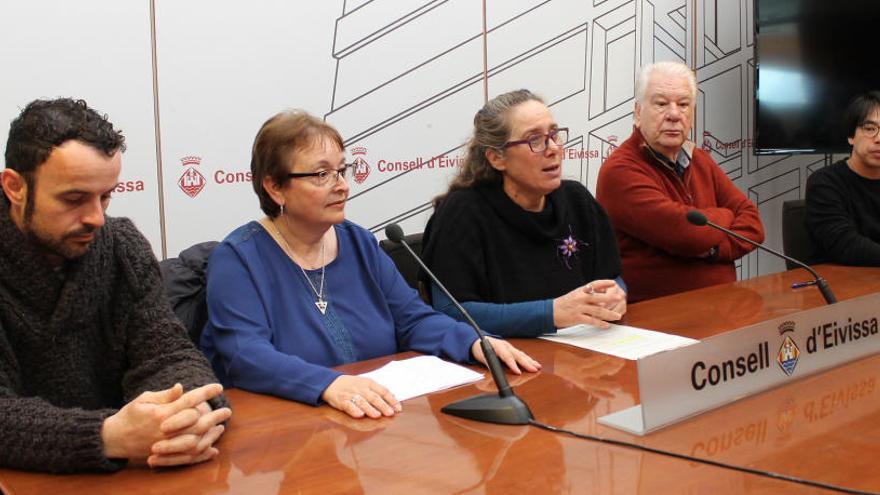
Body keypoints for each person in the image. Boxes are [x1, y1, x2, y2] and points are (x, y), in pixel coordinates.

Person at [200, 110, 540, 419]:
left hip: (374, 419)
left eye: (342, 170)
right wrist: (328, 385)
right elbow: (245, 356)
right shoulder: (239, 259)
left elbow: (411, 320)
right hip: (286, 428)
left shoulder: (358, 242)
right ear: (275, 187)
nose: (342, 186)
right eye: (322, 174)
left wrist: (472, 341)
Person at [0, 98, 231, 473]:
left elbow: (168, 355)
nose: (96, 217)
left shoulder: (122, 246)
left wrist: (190, 412)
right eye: (73, 199)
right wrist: (106, 436)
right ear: (15, 187)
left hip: (129, 476)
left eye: (105, 196)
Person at [421, 89, 626, 338]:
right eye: (535, 140)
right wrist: (550, 314)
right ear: (497, 158)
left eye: (554, 134)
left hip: (585, 351)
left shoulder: (577, 200)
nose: (552, 149)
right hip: (504, 361)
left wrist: (615, 296)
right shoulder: (462, 213)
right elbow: (451, 312)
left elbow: (611, 276)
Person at [596, 61, 765, 301]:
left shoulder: (700, 160)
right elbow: (688, 234)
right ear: (637, 112)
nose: (674, 115)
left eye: (683, 104)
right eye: (661, 104)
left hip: (721, 306)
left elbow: (754, 226)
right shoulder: (620, 170)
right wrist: (726, 215)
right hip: (658, 319)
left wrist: (714, 250)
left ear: (692, 114)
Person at [805, 91, 880, 266]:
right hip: (841, 286)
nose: (878, 139)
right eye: (870, 129)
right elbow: (845, 245)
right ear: (851, 136)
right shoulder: (824, 182)